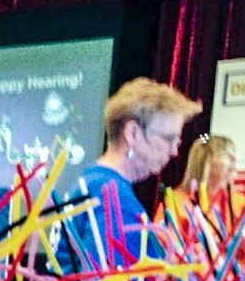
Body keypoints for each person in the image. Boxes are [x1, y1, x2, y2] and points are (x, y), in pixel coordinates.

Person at [60, 77, 202, 270]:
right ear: (133, 133)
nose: (174, 151)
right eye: (169, 139)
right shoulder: (111, 195)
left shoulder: (95, 182)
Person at [154, 134, 245, 259]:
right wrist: (211, 247)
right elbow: (165, 254)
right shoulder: (175, 203)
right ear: (207, 163)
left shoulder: (239, 201)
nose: (234, 162)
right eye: (227, 156)